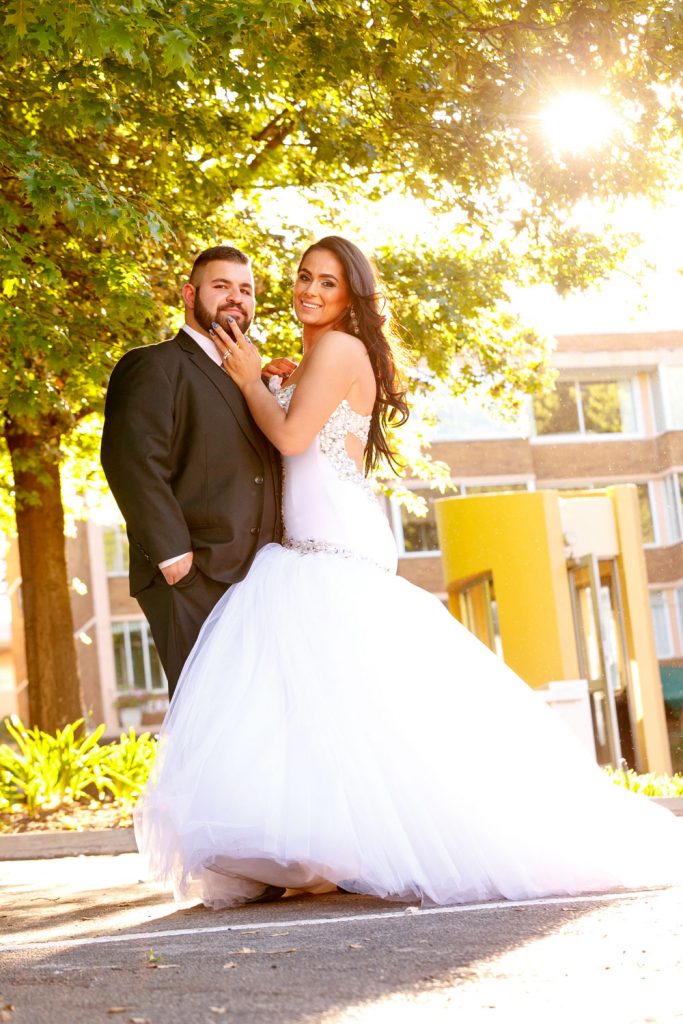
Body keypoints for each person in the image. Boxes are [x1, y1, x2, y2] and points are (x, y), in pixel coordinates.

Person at [134, 236, 683, 909]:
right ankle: (331, 848)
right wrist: (277, 380)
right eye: (303, 278)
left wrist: (252, 380)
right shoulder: (318, 353)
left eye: (327, 284)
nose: (308, 291)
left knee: (366, 705)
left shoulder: (336, 349)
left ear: (351, 296)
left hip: (328, 546)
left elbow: (287, 439)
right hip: (309, 542)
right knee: (332, 707)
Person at [101, 245, 282, 697]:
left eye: (246, 290)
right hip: (190, 577)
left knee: (256, 722)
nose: (235, 298)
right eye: (221, 286)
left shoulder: (256, 377)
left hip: (260, 580)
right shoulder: (154, 365)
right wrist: (174, 558)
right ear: (190, 293)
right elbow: (133, 461)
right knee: (208, 716)